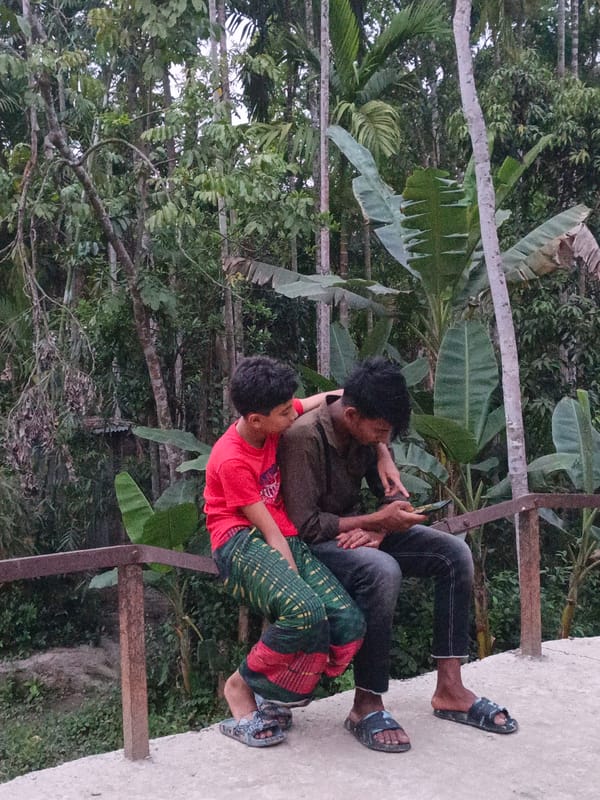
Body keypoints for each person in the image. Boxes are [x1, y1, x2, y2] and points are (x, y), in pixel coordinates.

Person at [278, 356, 518, 753]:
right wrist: (374, 522)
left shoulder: (366, 428)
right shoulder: (304, 438)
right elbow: (305, 524)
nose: (382, 439)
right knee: (382, 570)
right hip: (313, 545)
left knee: (454, 553)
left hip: (360, 530)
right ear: (352, 415)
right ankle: (366, 704)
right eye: (380, 431)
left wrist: (387, 510)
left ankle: (450, 689)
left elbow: (382, 489)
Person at [203, 356, 366, 748]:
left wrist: (361, 403)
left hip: (283, 534)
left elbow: (323, 398)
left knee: (348, 620)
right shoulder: (231, 460)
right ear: (256, 419)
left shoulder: (275, 415)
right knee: (306, 610)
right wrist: (294, 580)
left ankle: (272, 695)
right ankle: (240, 689)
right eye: (282, 414)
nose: (291, 417)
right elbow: (268, 530)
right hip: (241, 539)